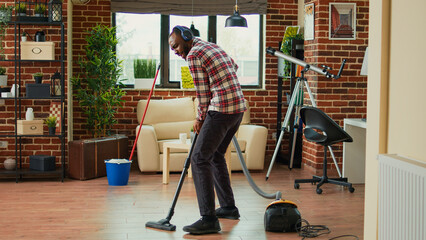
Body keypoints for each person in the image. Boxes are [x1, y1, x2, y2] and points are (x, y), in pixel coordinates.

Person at [168, 25, 247, 235]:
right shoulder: (210, 46)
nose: (175, 51)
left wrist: (200, 118)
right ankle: (229, 207)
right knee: (216, 155)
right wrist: (221, 82)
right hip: (238, 108)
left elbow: (202, 94)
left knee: (199, 158)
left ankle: (208, 218)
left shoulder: (193, 55)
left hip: (220, 109)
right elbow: (234, 66)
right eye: (171, 48)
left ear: (186, 38)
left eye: (176, 45)